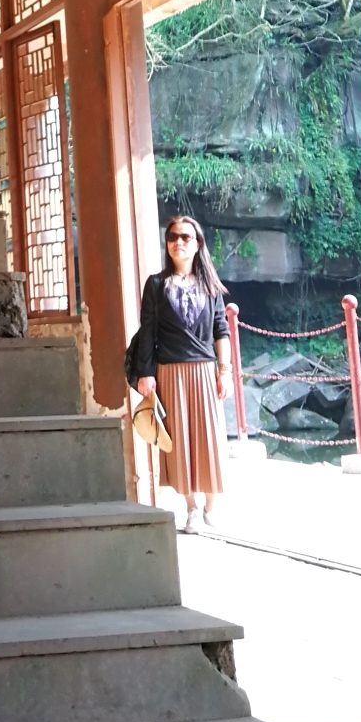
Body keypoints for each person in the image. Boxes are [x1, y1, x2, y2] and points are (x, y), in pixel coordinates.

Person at [133, 215, 233, 532]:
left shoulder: (210, 286)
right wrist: (146, 373)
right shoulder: (156, 285)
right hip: (169, 371)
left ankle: (211, 506)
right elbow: (147, 332)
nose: (178, 242)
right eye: (173, 236)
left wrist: (225, 371)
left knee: (209, 439)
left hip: (204, 370)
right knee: (180, 441)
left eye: (186, 237)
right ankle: (191, 508)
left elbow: (221, 330)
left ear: (197, 244)